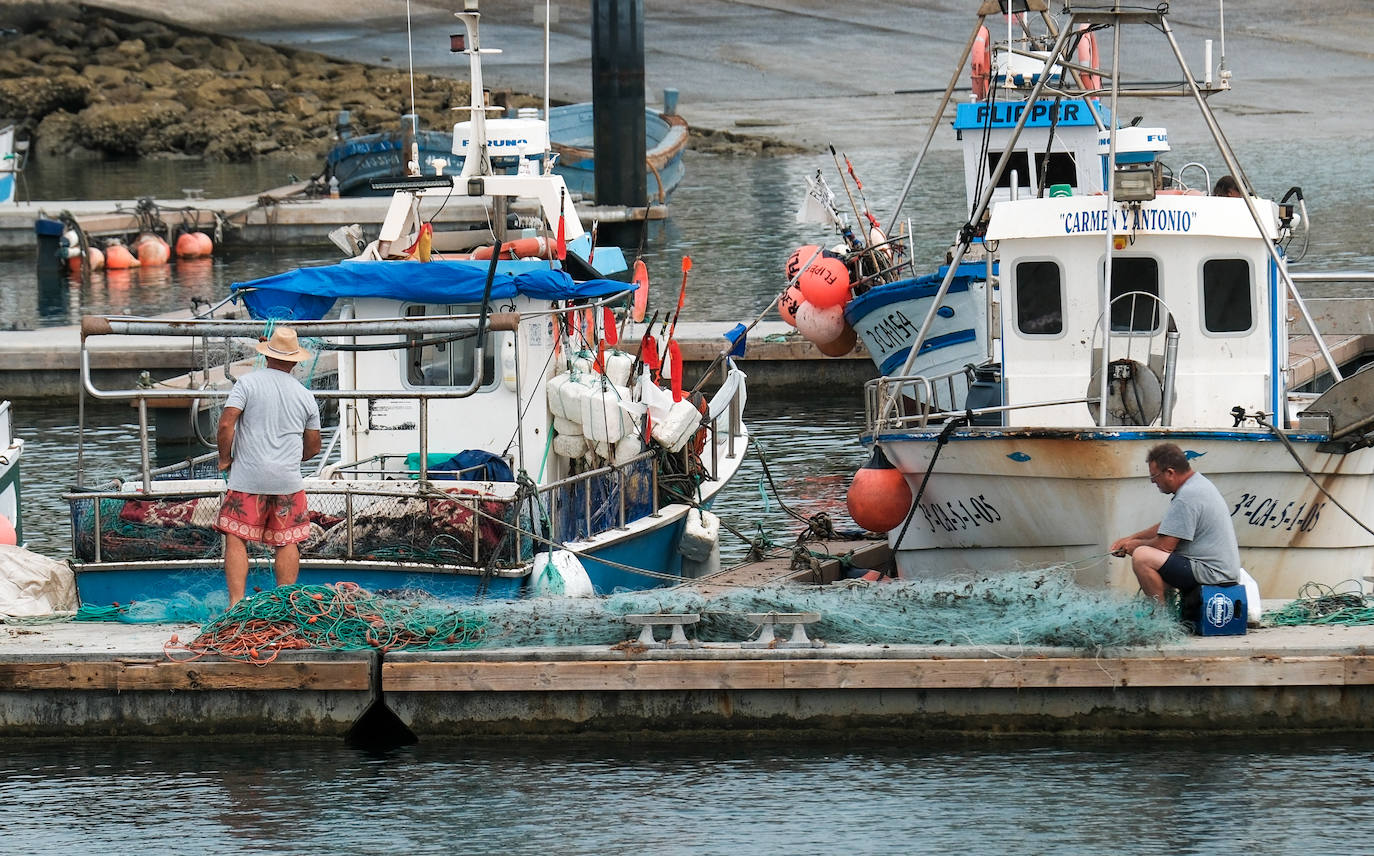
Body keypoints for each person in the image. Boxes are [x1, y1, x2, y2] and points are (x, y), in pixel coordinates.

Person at [215, 327, 322, 606]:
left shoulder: (248, 384)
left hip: (248, 477)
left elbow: (226, 423)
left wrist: (225, 458)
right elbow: (314, 446)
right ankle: (284, 604)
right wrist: (291, 462)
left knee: (237, 535)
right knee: (287, 539)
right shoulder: (305, 395)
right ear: (296, 361)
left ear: (267, 355)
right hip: (287, 479)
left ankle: (236, 602)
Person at [1109, 442, 1240, 603]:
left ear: (1170, 473)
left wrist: (1133, 546)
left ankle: (1161, 619)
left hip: (1213, 574)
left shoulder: (1187, 497)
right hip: (1219, 571)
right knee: (1148, 556)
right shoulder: (1197, 485)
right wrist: (1130, 538)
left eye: (1154, 476)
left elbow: (1164, 546)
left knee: (1142, 557)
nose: (1152, 482)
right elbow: (1169, 528)